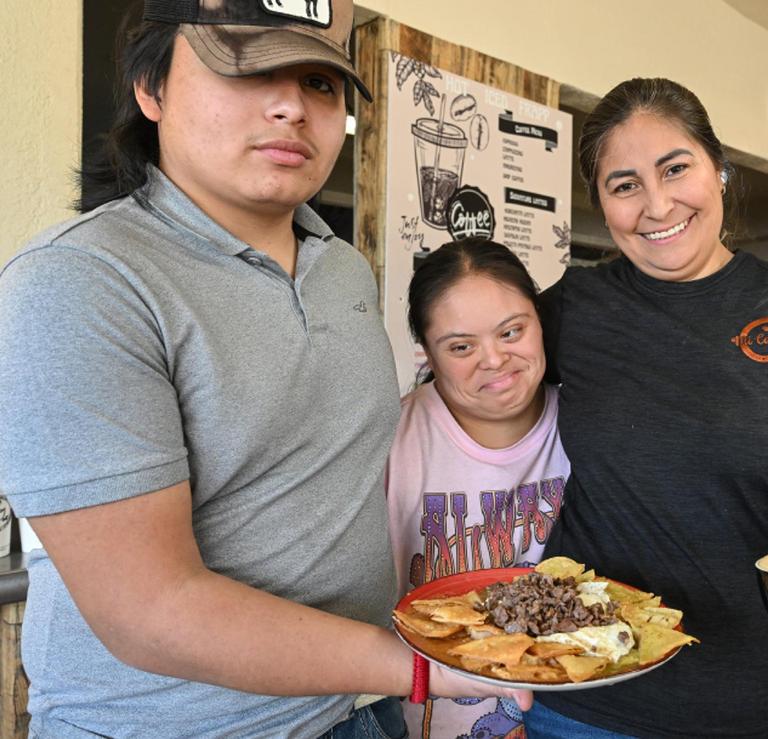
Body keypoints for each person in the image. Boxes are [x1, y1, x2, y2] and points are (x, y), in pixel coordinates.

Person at [0, 2, 528, 736]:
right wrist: (416, 664)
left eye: (319, 80)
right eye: (244, 64)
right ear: (150, 86)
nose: (290, 106)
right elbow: (149, 612)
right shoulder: (78, 282)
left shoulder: (342, 267)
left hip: (354, 708)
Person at [524, 77, 768, 739]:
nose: (656, 204)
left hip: (756, 698)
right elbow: (481, 403)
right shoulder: (576, 306)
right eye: (624, 185)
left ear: (717, 167)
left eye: (675, 168)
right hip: (586, 696)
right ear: (600, 202)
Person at [386, 239, 568, 739]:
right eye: (462, 346)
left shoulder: (590, 425)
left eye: (512, 331)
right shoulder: (390, 439)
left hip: (578, 719)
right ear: (427, 350)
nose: (495, 360)